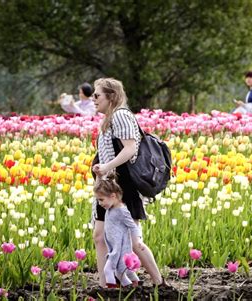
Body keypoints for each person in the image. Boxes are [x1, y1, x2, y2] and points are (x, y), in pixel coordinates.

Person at [91, 77, 164, 287]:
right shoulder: (108, 118)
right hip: (108, 185)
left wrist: (106, 166)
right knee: (100, 235)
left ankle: (159, 282)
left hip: (123, 186)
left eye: (97, 95)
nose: (93, 99)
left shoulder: (121, 116)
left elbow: (130, 148)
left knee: (133, 241)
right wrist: (100, 171)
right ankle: (106, 285)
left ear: (111, 96)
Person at [94, 173, 141, 288]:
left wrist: (138, 240)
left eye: (101, 200)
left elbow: (133, 226)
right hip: (113, 247)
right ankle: (133, 286)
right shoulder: (110, 208)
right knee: (121, 273)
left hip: (120, 249)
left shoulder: (121, 210)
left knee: (109, 269)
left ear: (113, 196)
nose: (100, 203)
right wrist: (99, 177)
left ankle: (111, 291)